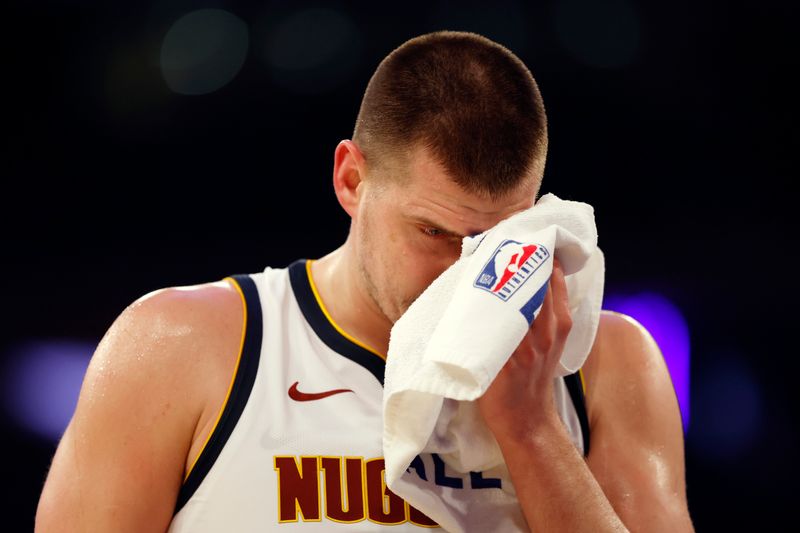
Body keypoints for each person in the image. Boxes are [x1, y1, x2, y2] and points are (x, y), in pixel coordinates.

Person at [36, 31, 694, 532]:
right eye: (432, 233)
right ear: (351, 180)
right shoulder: (181, 346)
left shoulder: (605, 363)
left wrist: (529, 428)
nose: (462, 274)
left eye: (493, 240)